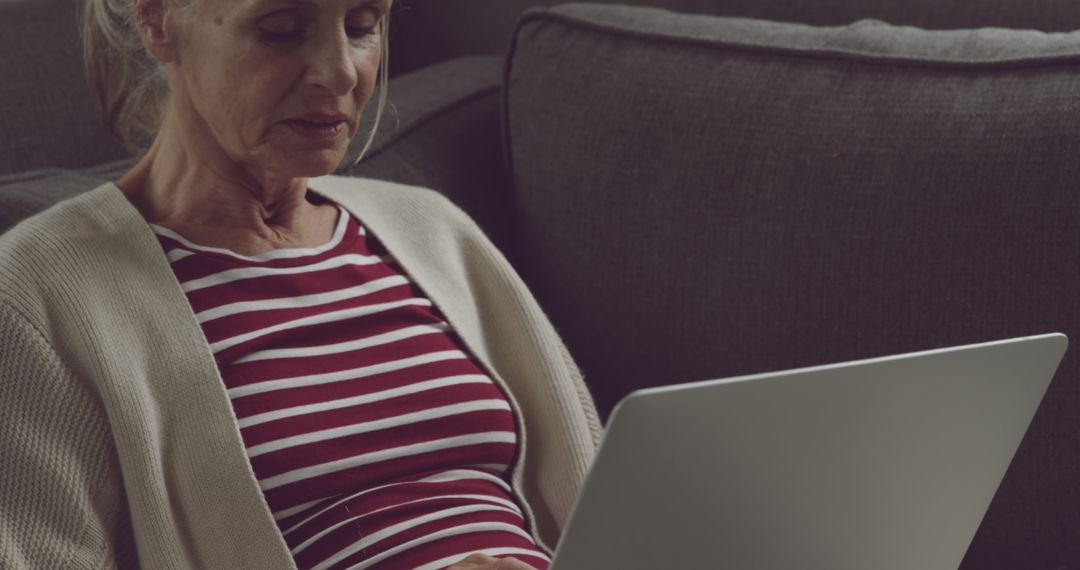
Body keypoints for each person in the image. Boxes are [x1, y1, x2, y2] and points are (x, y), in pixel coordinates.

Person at [0, 0, 602, 568]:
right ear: (158, 19)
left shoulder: (431, 228)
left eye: (363, 24)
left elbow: (612, 502)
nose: (340, 74)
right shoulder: (40, 294)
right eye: (282, 28)